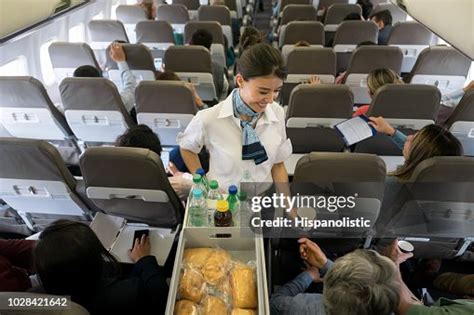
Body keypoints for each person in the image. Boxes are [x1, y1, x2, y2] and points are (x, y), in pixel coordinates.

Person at [176, 43, 292, 192]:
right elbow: (187, 147)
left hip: (262, 198)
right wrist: (202, 182)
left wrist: (288, 206)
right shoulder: (210, 118)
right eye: (263, 91)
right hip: (223, 201)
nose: (270, 99)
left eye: (277, 91)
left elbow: (278, 164)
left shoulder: (277, 113)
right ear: (240, 81)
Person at [34, 219, 169, 315]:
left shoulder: (40, 300)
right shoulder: (129, 293)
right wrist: (143, 260)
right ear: (93, 261)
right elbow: (161, 296)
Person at [368, 118, 463, 180]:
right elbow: (415, 149)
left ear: (417, 157)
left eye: (413, 139)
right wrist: (392, 132)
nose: (408, 137)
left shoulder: (390, 184)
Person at [73, 42, 137, 115]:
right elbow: (131, 88)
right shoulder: (116, 103)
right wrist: (121, 61)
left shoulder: (69, 106)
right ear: (101, 83)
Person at [189, 29, 226, 100]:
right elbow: (223, 92)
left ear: (190, 45)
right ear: (209, 49)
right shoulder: (218, 69)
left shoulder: (175, 66)